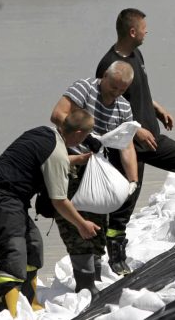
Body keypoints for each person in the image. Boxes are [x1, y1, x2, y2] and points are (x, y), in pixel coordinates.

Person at [95, 8, 175, 276]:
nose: (148, 31)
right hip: (127, 145)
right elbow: (104, 109)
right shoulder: (108, 65)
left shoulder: (137, 55)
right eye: (144, 28)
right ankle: (116, 256)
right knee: (125, 202)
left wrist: (157, 107)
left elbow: (137, 93)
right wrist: (135, 131)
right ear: (132, 31)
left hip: (152, 137)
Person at [0, 110, 99, 317]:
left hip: (5, 196)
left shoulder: (44, 133)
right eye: (84, 137)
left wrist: (77, 159)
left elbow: (51, 160)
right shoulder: (56, 152)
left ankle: (30, 302)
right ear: (77, 133)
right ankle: (9, 312)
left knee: (33, 245)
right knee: (14, 251)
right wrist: (82, 224)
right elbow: (59, 201)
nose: (83, 140)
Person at [49, 62, 141, 294]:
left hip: (97, 168)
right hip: (69, 161)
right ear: (104, 78)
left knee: (98, 225)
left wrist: (133, 181)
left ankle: (95, 281)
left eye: (121, 89)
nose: (115, 93)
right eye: (112, 87)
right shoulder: (85, 88)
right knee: (75, 225)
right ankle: (85, 285)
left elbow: (127, 146)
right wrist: (88, 137)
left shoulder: (123, 107)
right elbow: (57, 114)